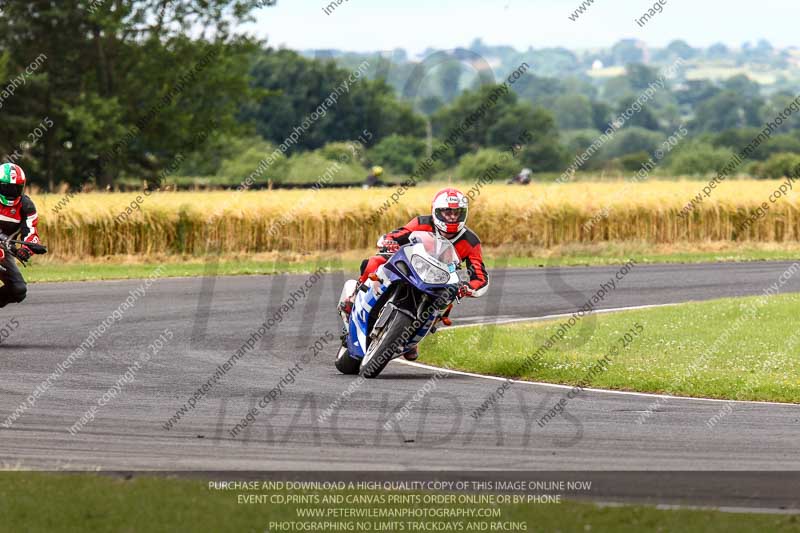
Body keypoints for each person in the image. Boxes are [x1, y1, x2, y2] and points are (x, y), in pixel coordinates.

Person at [354, 187, 489, 360]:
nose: (452, 217)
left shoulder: (470, 241)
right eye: (447, 212)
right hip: (412, 266)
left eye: (457, 213)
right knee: (375, 262)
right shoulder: (422, 222)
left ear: (464, 213)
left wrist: (468, 287)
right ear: (436, 211)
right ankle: (355, 295)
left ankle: (411, 336)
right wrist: (390, 241)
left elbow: (480, 276)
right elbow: (398, 234)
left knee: (448, 298)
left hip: (441, 278)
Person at [0, 163, 44, 307]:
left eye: (16, 188)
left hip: (5, 250)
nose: (11, 191)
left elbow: (31, 231)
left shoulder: (26, 206)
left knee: (18, 290)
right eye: (7, 187)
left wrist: (26, 250)